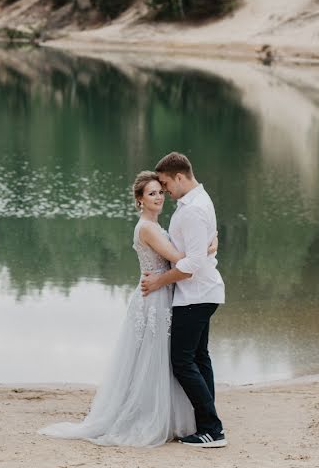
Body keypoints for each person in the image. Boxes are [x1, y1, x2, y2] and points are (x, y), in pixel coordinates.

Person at [38, 170, 216, 447]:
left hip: (163, 292)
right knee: (152, 358)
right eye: (151, 194)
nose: (158, 197)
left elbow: (178, 260)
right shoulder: (146, 227)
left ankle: (175, 416)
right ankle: (148, 415)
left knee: (164, 359)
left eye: (160, 191)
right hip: (154, 298)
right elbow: (179, 258)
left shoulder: (156, 226)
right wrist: (210, 245)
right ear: (139, 200)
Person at [141, 152, 226, 448]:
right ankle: (207, 424)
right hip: (204, 292)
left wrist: (158, 281)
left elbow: (191, 265)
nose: (164, 190)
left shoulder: (191, 209)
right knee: (199, 358)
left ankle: (212, 428)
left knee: (182, 360)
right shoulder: (200, 201)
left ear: (179, 177)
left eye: (165, 184)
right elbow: (204, 246)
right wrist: (209, 247)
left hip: (195, 295)